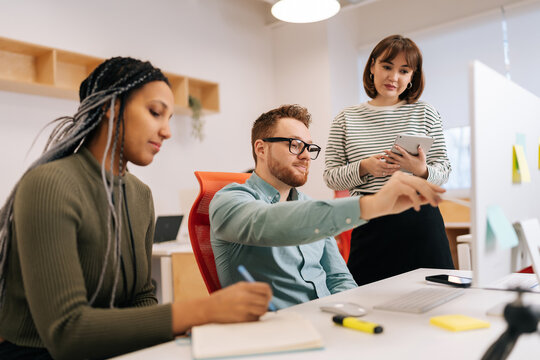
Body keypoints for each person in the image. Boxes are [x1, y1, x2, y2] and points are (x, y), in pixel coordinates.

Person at [0, 57, 272, 360]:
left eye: (169, 118)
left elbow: (142, 296)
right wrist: (202, 310)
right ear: (111, 107)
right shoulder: (49, 185)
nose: (167, 131)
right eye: (156, 112)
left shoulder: (140, 195)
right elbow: (67, 332)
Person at [210, 104, 446, 309]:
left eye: (309, 148)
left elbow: (338, 278)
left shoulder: (310, 205)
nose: (305, 156)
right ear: (261, 149)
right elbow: (270, 223)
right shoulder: (228, 201)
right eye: (294, 145)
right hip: (276, 334)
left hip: (330, 323)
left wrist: (357, 312)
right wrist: (372, 204)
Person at [324, 34, 454, 286]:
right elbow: (331, 176)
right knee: (367, 300)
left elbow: (444, 170)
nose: (394, 77)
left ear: (412, 77)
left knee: (436, 297)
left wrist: (420, 169)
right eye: (386, 66)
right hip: (371, 222)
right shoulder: (346, 118)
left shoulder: (425, 112)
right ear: (372, 66)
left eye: (404, 71)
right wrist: (364, 167)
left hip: (421, 221)